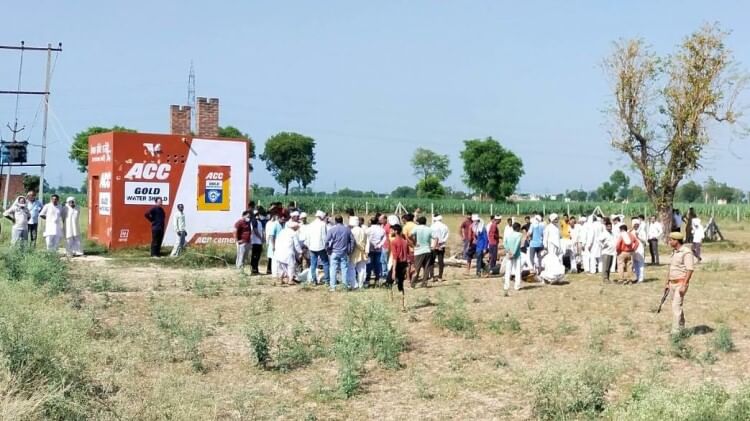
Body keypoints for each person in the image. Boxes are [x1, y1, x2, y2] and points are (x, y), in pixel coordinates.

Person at [665, 232, 695, 333]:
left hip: (680, 283)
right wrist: (667, 283)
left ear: (676, 241)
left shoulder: (686, 252)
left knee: (676, 306)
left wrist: (684, 284)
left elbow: (690, 269)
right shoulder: (674, 252)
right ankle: (681, 327)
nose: (669, 242)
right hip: (672, 283)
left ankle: (675, 332)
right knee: (676, 306)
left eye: (671, 240)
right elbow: (671, 268)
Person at [326, 215, 354, 291]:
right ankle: (345, 285)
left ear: (335, 221)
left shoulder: (332, 230)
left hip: (334, 252)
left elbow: (327, 241)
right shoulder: (347, 230)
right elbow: (352, 241)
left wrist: (328, 250)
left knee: (333, 269)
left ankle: (333, 287)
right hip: (344, 252)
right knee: (344, 269)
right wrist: (350, 250)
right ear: (342, 221)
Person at [387, 224, 409, 312]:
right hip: (404, 264)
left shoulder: (394, 242)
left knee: (389, 281)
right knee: (401, 284)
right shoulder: (405, 241)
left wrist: (393, 271)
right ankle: (402, 305)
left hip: (398, 264)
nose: (391, 232)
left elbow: (395, 257)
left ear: (396, 231)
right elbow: (407, 255)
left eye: (392, 230)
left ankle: (391, 300)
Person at [274, 221, 303, 285]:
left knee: (281, 266)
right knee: (291, 266)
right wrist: (300, 252)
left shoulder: (282, 231)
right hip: (288, 251)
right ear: (294, 227)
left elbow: (277, 240)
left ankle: (281, 279)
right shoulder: (293, 233)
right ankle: (290, 280)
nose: (297, 228)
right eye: (297, 227)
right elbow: (297, 245)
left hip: (279, 251)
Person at [305, 210, 329, 285]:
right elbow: (324, 236)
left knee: (313, 264)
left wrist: (309, 245)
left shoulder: (311, 224)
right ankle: (327, 280)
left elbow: (308, 236)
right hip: (321, 246)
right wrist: (326, 246)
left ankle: (314, 280)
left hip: (312, 246)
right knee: (325, 263)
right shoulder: (323, 224)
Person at [411, 216, 434, 288]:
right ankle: (424, 282)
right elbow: (436, 238)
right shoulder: (429, 229)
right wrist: (434, 246)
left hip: (419, 251)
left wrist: (414, 243)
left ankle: (413, 282)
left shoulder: (416, 228)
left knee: (417, 268)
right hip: (427, 250)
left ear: (418, 222)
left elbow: (410, 235)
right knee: (426, 268)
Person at [503, 222, 523, 296]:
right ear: (517, 228)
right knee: (517, 270)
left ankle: (506, 285)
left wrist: (509, 251)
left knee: (508, 270)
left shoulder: (509, 235)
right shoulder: (519, 235)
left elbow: (504, 243)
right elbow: (517, 244)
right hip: (516, 254)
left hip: (509, 254)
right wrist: (513, 253)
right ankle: (517, 286)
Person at [365, 216, 386, 286]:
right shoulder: (381, 229)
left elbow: (366, 238)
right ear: (377, 222)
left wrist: (372, 244)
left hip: (370, 249)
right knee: (378, 264)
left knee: (369, 264)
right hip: (378, 249)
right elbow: (384, 238)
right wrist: (379, 245)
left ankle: (367, 280)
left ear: (371, 222)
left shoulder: (368, 230)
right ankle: (377, 279)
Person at [349, 216, 368, 289]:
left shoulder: (352, 231)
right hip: (362, 251)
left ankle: (354, 284)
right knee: (362, 269)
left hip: (354, 251)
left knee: (351, 268)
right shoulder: (363, 230)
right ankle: (361, 284)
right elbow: (366, 242)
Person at [429, 214, 449, 282]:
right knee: (441, 261)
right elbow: (446, 236)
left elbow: (431, 236)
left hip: (433, 245)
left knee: (432, 261)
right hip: (442, 245)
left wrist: (435, 244)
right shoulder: (445, 226)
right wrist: (441, 242)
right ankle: (440, 276)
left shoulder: (432, 226)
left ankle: (431, 276)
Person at [599, 219, 616, 283]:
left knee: (609, 266)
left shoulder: (612, 233)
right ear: (606, 227)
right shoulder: (604, 233)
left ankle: (608, 278)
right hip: (606, 252)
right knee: (605, 266)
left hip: (611, 252)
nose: (609, 227)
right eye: (608, 226)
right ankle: (605, 278)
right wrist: (603, 246)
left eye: (610, 226)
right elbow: (598, 240)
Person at [631, 218, 647, 283]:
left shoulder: (642, 231)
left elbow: (644, 240)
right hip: (634, 250)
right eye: (635, 224)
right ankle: (637, 277)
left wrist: (638, 236)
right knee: (635, 264)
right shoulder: (631, 232)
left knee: (640, 264)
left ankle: (641, 278)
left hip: (640, 249)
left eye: (637, 224)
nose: (636, 226)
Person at [249, 210, 264, 274]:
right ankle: (254, 269)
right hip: (255, 241)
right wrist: (260, 237)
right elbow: (255, 230)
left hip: (258, 242)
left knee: (257, 256)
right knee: (255, 256)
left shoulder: (259, 222)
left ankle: (255, 269)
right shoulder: (254, 221)